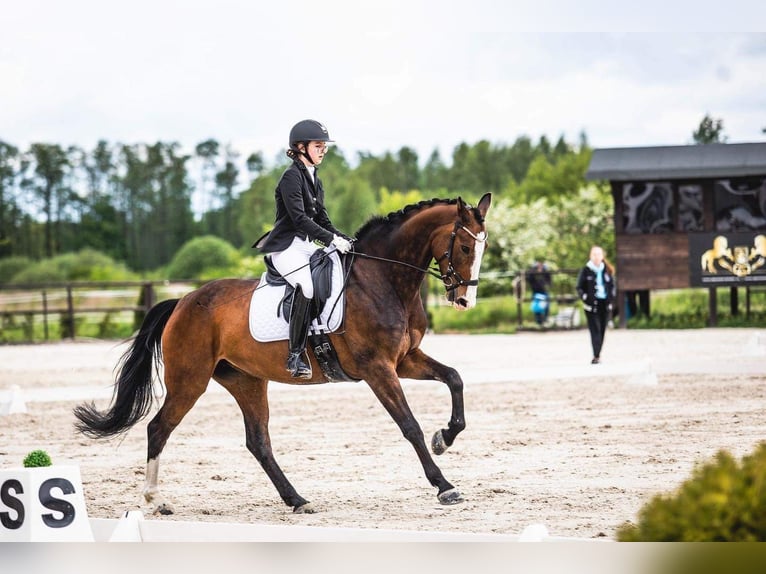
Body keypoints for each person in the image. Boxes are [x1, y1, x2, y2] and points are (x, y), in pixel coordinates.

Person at [254, 119, 353, 379]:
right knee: (306, 287)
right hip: (288, 248)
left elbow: (322, 219)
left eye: (324, 147)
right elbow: (300, 220)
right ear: (300, 147)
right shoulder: (290, 177)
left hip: (308, 247)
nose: (323, 151)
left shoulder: (314, 178)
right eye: (318, 146)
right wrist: (331, 240)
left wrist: (345, 239)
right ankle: (295, 354)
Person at [576, 245, 616, 364]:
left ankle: (598, 353)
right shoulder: (586, 270)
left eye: (598, 254)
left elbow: (612, 286)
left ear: (602, 256)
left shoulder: (607, 270)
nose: (596, 257)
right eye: (594, 254)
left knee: (602, 329)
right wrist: (585, 297)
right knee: (595, 329)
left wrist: (611, 298)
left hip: (604, 303)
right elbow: (579, 287)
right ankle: (596, 355)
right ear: (590, 256)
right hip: (591, 305)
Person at [526, 260, 552, 326]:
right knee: (537, 307)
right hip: (536, 291)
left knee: (546, 306)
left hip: (544, 291)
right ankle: (539, 322)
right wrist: (535, 270)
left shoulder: (545, 269)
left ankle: (545, 320)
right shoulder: (533, 270)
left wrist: (547, 285)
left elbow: (549, 279)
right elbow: (529, 278)